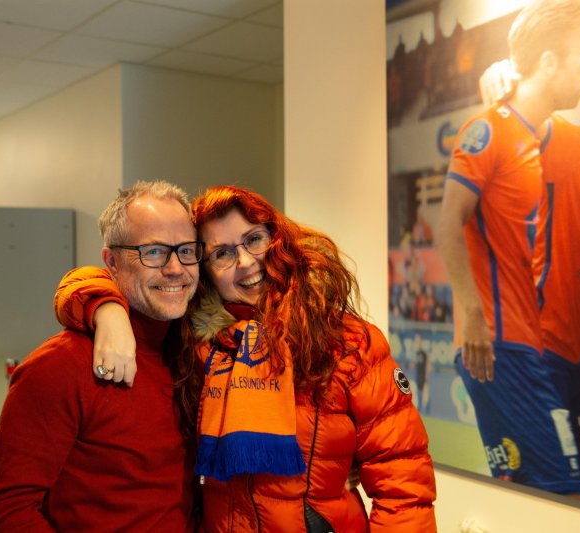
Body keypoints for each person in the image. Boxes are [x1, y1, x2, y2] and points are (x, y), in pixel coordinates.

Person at [55, 185, 437, 532]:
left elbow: (404, 484)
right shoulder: (198, 341)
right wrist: (108, 310)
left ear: (277, 238)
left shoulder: (346, 341)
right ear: (205, 272)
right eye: (222, 253)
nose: (244, 262)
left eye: (254, 240)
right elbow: (90, 279)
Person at [438, 0, 580, 494]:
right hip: (498, 347)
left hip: (524, 344)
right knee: (561, 489)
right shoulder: (491, 131)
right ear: (549, 62)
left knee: (523, 488)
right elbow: (448, 223)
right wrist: (474, 315)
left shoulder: (538, 138)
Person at [0, 181, 202, 532]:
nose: (176, 268)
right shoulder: (58, 367)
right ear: (111, 262)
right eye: (154, 252)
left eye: (187, 250)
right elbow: (10, 511)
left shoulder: (194, 352)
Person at [478, 11, 580, 504]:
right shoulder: (564, 133)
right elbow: (511, 126)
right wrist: (500, 78)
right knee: (571, 500)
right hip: (569, 359)